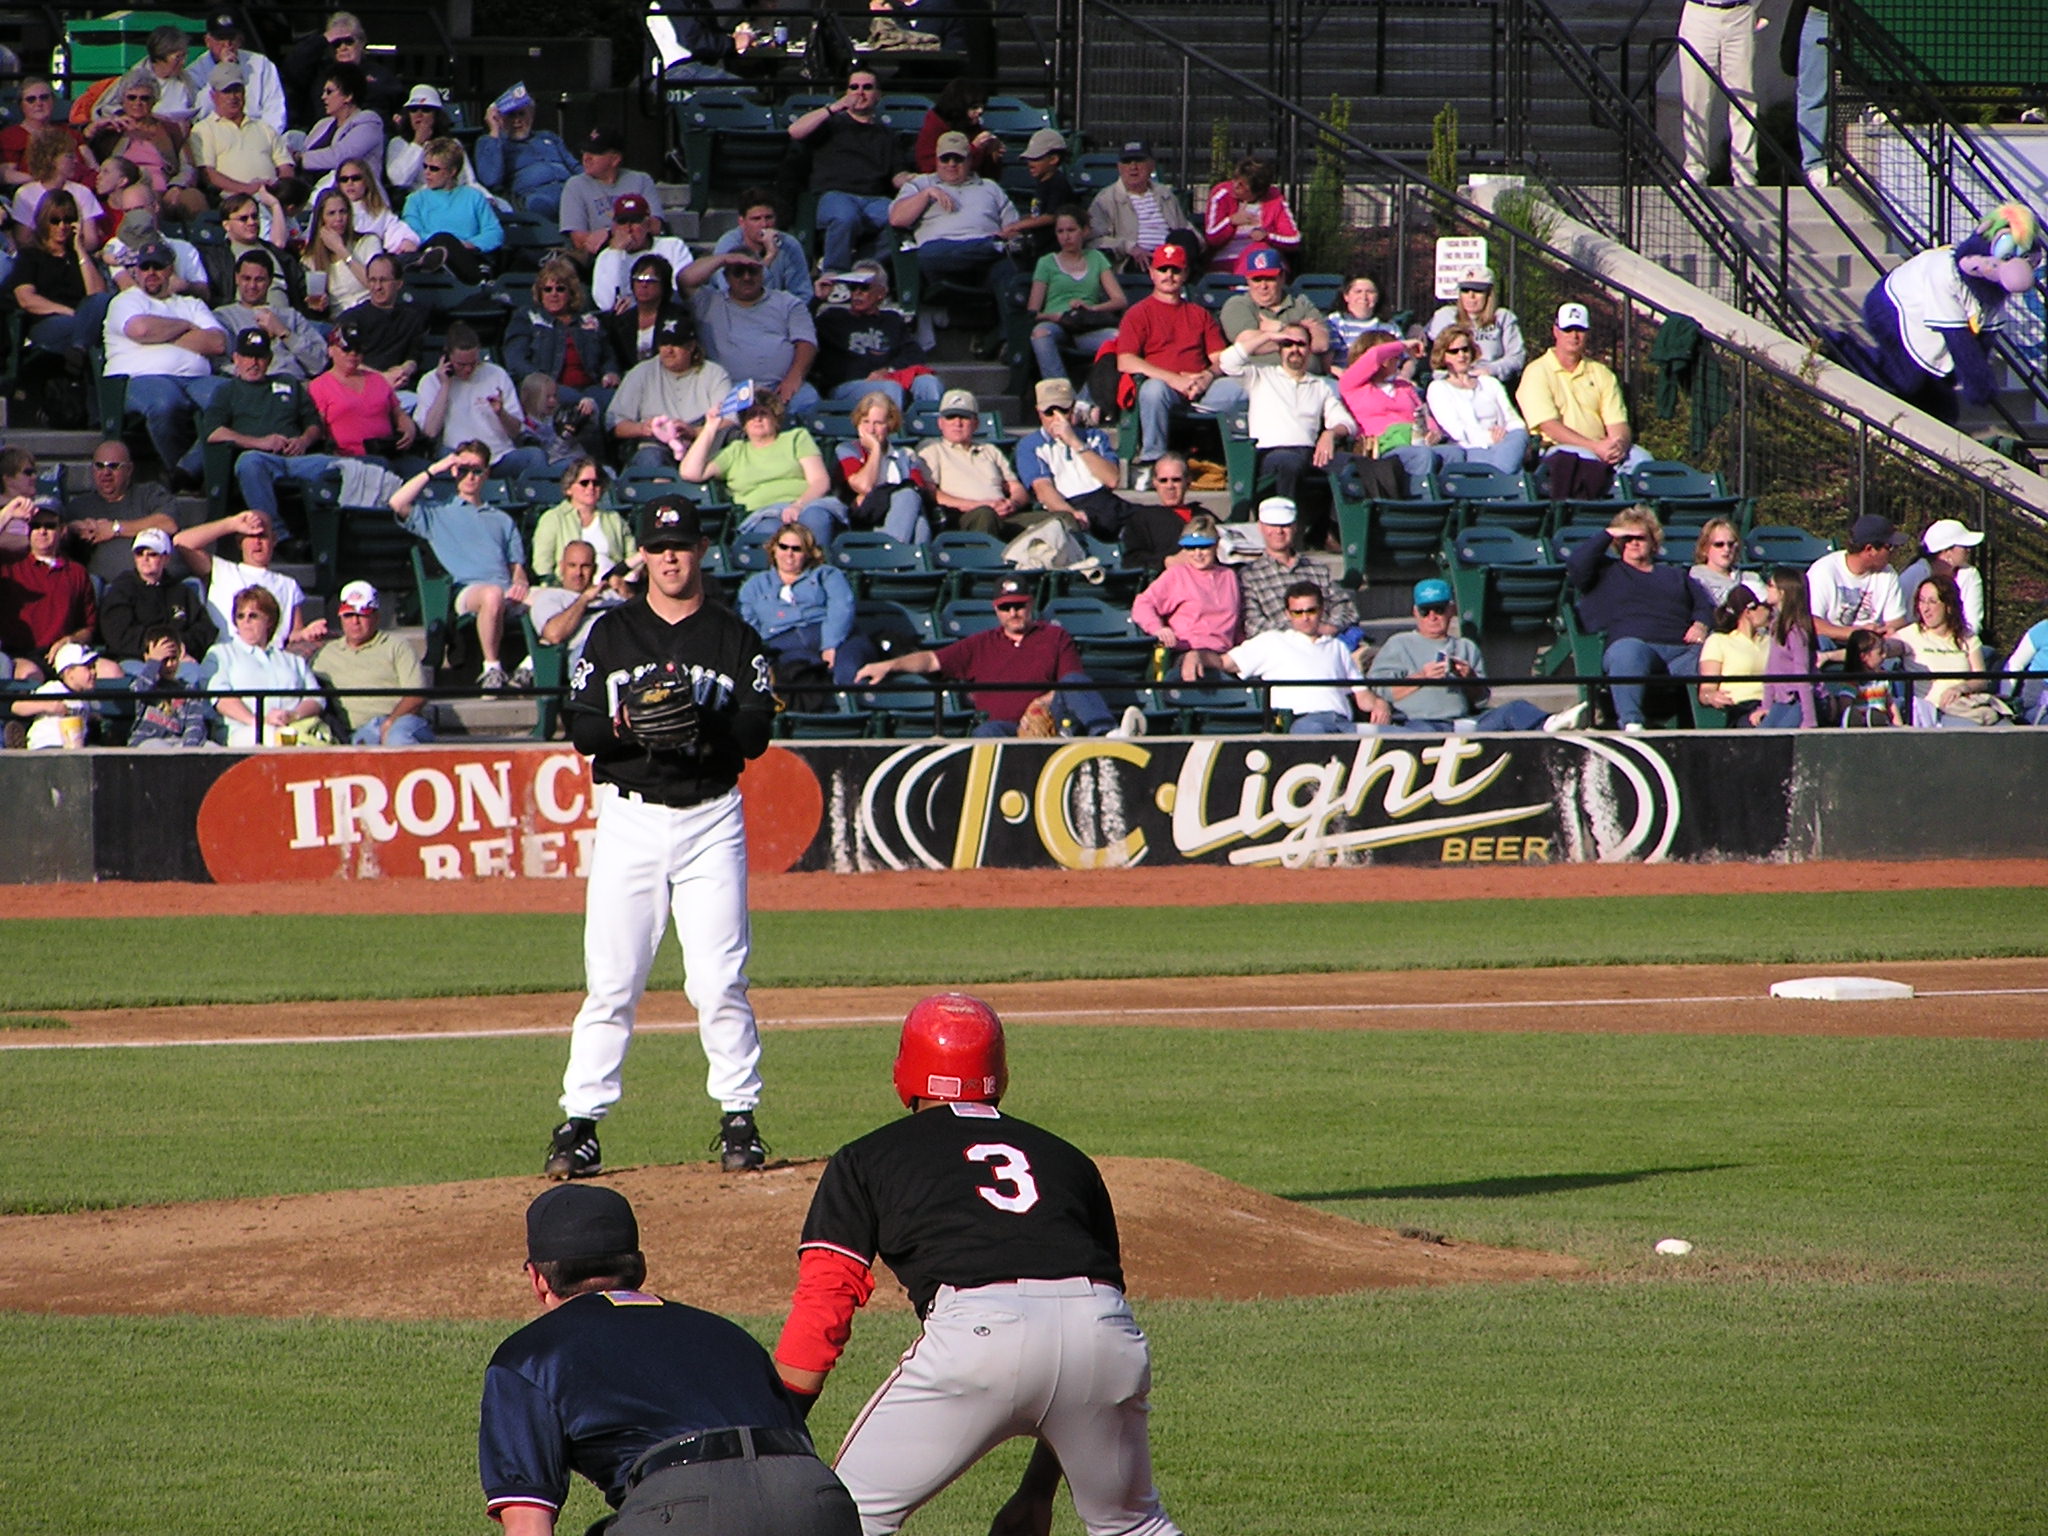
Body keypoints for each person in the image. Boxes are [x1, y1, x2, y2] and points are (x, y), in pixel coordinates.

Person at [772, 993, 1182, 1536]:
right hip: (1104, 1334)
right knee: (1134, 1526)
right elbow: (1079, 1339)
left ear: (905, 1072)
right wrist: (1037, 1494)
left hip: (978, 1339)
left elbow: (825, 1306)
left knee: (837, 1519)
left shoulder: (865, 1158)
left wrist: (770, 1428)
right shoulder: (1069, 1159)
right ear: (999, 1075)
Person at [547, 496, 775, 1179]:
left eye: (681, 545)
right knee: (612, 982)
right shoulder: (612, 634)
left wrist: (703, 720)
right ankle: (579, 1125)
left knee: (719, 980)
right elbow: (582, 728)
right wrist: (629, 726)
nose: (670, 556)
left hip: (711, 818)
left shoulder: (734, 636)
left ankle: (739, 1117)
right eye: (657, 546)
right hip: (630, 817)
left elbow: (757, 732)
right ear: (641, 554)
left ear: (702, 550)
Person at [483, 1183, 857, 1536]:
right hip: (819, 1499)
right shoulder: (729, 1335)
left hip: (684, 1508)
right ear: (638, 1266)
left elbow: (529, 1525)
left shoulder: (528, 1356)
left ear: (538, 1279)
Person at [854, 576, 1126, 737]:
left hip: (1050, 721)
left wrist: (1039, 705)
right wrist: (890, 664)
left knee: (1076, 683)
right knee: (986, 732)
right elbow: (931, 660)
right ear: (997, 610)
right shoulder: (981, 644)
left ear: (1030, 604)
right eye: (1006, 607)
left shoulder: (1054, 636)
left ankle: (1107, 736)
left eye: (1018, 605)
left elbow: (1071, 682)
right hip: (1005, 729)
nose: (1013, 613)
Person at [390, 441, 532, 689]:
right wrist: (436, 469)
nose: (470, 476)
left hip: (507, 590)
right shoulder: (438, 512)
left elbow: (516, 568)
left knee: (558, 600)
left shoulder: (501, 519)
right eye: (463, 469)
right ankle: (492, 669)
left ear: (486, 474)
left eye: (476, 470)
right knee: (492, 595)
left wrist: (520, 583)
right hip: (468, 592)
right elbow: (397, 503)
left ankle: (529, 666)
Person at [1369, 576, 1586, 732]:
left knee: (1516, 708)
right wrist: (1422, 678)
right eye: (1426, 611)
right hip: (1418, 722)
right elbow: (1381, 692)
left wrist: (1469, 678)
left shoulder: (1466, 647)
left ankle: (1551, 725)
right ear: (1416, 613)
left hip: (1464, 720)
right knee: (1424, 733)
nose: (1433, 616)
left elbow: (1482, 700)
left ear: (1451, 610)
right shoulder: (1399, 644)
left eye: (1439, 609)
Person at [1563, 503, 1713, 729]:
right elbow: (1576, 565)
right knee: (1627, 651)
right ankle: (1632, 724)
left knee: (1723, 651)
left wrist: (1701, 625)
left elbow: (1703, 605)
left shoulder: (1675, 574)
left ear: (1653, 542)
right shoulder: (1606, 571)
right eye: (1627, 538)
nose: (1633, 542)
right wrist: (1608, 533)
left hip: (1682, 651)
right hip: (1636, 648)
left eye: (1640, 537)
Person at [1115, 240, 1245, 484]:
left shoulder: (1199, 314)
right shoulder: (1138, 313)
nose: (1169, 275)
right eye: (1163, 269)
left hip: (1201, 387)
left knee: (1245, 388)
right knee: (1152, 390)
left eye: (1175, 270)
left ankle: (1243, 466)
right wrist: (1173, 379)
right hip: (1165, 388)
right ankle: (1153, 464)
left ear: (1185, 273)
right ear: (1152, 273)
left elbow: (1220, 360)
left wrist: (1207, 376)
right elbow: (1125, 360)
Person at [102, 239, 228, 486]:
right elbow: (140, 329)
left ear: (170, 270)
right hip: (140, 377)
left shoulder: (191, 304)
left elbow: (217, 344)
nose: (151, 273)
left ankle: (184, 471)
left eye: (157, 267)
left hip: (197, 378)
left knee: (231, 398)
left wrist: (162, 333)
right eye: (145, 267)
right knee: (165, 404)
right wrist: (185, 327)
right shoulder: (126, 300)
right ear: (136, 271)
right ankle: (181, 470)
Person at [203, 326, 341, 528]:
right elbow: (213, 432)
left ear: (269, 359)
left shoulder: (288, 382)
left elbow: (314, 424)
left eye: (259, 357)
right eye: (248, 356)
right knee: (248, 462)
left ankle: (332, 534)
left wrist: (303, 440)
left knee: (343, 467)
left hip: (299, 459)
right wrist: (260, 443)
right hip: (260, 460)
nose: (253, 363)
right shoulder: (226, 390)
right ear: (236, 358)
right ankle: (275, 533)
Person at [1219, 319, 1357, 515]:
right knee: (1289, 462)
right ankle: (1283, 526)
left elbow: (1347, 423)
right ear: (1279, 349)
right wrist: (1267, 336)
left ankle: (1330, 532)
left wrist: (1330, 433)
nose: (1294, 349)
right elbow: (1228, 362)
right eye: (1287, 344)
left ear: (1309, 349)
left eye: (1300, 344)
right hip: (1271, 454)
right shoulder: (1261, 377)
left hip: (1309, 453)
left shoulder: (1322, 385)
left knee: (1352, 466)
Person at [1516, 302, 1649, 499]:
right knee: (1586, 460)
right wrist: (1595, 448)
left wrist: (1618, 445)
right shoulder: (1537, 372)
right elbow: (1550, 426)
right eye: (1568, 329)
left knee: (1644, 461)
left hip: (1603, 446)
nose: (1574, 336)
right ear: (1556, 331)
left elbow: (1618, 423)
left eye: (1580, 330)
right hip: (1558, 451)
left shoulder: (1602, 373)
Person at [676, 396, 844, 548]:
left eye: (763, 413)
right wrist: (711, 427)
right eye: (751, 415)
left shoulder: (796, 438)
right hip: (763, 513)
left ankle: (819, 574)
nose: (757, 418)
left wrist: (798, 505)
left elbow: (820, 481)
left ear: (776, 419)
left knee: (817, 519)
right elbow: (690, 472)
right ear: (744, 424)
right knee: (769, 529)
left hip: (805, 505)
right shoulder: (735, 451)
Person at [1222, 579, 1387, 733]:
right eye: (1297, 613)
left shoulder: (1337, 647)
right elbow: (1225, 663)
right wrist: (1198, 656)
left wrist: (1379, 703)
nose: (1305, 618)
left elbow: (1362, 695)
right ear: (1288, 614)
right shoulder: (1271, 641)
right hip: (1302, 722)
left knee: (1403, 734)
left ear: (1322, 610)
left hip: (1343, 724)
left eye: (1311, 610)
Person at [786, 68, 903, 275]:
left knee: (904, 219)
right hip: (835, 195)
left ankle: (857, 266)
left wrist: (916, 181)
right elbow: (795, 131)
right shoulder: (831, 123)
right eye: (854, 87)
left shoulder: (887, 134)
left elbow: (897, 175)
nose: (860, 92)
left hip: (875, 199)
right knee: (845, 217)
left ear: (878, 95)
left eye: (867, 87)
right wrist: (835, 107)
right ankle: (834, 275)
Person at [738, 522, 878, 689]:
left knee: (847, 670)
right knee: (795, 674)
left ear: (808, 553)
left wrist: (830, 645)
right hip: (782, 642)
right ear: (773, 549)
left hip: (834, 636)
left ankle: (860, 709)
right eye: (783, 547)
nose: (789, 554)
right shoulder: (754, 586)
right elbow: (749, 624)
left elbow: (841, 608)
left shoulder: (827, 574)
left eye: (797, 549)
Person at [887, 131, 1019, 305]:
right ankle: (991, 247)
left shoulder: (990, 187)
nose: (951, 164)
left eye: (958, 159)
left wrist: (1009, 239)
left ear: (970, 160)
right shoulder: (920, 185)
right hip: (940, 259)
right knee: (926, 255)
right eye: (945, 159)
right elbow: (897, 219)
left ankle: (1011, 331)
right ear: (936, 160)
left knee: (1011, 274)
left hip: (984, 266)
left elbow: (1014, 229)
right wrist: (927, 194)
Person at [681, 250, 819, 414]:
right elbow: (684, 279)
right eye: (738, 272)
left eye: (752, 271)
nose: (746, 277)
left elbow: (806, 342)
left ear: (762, 273)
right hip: (727, 389)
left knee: (808, 399)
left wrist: (794, 377)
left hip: (779, 388)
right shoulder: (708, 301)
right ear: (726, 277)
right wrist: (724, 259)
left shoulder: (788, 302)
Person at [416, 322, 550, 477]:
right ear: (447, 356)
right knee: (444, 456)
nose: (468, 369)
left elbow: (516, 432)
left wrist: (501, 413)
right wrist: (445, 386)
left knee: (535, 456)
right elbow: (430, 432)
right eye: (461, 364)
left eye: (473, 363)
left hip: (499, 456)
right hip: (459, 458)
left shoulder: (496, 374)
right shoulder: (430, 381)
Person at [176, 507, 321, 647]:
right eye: (250, 536)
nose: (257, 542)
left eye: (262, 536)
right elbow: (181, 542)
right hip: (227, 655)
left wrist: (305, 633)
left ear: (274, 540)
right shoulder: (222, 569)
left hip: (270, 659)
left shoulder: (288, 585)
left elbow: (294, 634)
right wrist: (231, 524)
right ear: (240, 542)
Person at [506, 257, 623, 428]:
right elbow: (515, 360)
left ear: (571, 293)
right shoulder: (527, 318)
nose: (554, 294)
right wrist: (543, 383)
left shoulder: (589, 320)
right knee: (584, 406)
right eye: (547, 289)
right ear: (540, 293)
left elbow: (608, 356)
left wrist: (611, 372)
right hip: (550, 390)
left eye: (560, 289)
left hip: (591, 388)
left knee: (618, 402)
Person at [202, 584, 325, 744]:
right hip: (242, 732)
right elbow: (220, 698)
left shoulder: (293, 660)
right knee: (278, 738)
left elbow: (317, 698)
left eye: (253, 616)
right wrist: (260, 722)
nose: (246, 621)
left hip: (294, 728)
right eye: (240, 616)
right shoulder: (221, 654)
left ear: (269, 620)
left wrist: (292, 715)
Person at [313, 579, 431, 744]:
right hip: (360, 730)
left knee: (397, 737)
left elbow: (417, 695)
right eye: (348, 615)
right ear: (340, 618)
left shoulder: (397, 646)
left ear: (376, 616)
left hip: (403, 721)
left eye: (362, 614)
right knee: (364, 747)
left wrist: (391, 721)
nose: (355, 621)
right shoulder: (325, 654)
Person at [1012, 376, 1130, 540]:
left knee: (1160, 520)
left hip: (1106, 501)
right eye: (1049, 412)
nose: (1057, 418)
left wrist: (1074, 441)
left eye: (1063, 410)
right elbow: (1044, 491)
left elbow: (1111, 479)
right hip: (1072, 505)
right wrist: (1071, 513)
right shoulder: (1030, 446)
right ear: (1039, 412)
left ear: (1073, 408)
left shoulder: (1094, 437)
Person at [608, 313, 733, 467]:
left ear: (691, 346)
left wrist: (694, 432)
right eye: (664, 343)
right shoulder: (642, 372)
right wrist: (643, 428)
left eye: (676, 344)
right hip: (654, 443)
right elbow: (615, 424)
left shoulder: (714, 373)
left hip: (702, 443)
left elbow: (731, 421)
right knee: (650, 457)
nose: (669, 350)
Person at [811, 262, 937, 410]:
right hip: (847, 385)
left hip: (887, 379)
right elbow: (801, 329)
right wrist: (817, 300)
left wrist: (888, 370)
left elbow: (914, 354)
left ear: (881, 293)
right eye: (853, 287)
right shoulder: (832, 317)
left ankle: (934, 428)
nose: (857, 292)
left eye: (864, 288)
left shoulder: (892, 319)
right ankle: (893, 432)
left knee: (928, 382)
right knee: (888, 390)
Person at [1234, 495, 1361, 639]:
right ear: (1261, 527)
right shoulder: (1249, 575)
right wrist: (1302, 633)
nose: (1279, 531)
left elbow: (1346, 608)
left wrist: (1329, 628)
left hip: (1326, 640)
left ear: (1295, 527)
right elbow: (1252, 624)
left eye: (1285, 525)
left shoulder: (1318, 569)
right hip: (1282, 647)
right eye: (1272, 525)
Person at [1131, 514, 1239, 680]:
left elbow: (1237, 622)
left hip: (1225, 655)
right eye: (1190, 548)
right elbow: (1143, 604)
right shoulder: (1177, 574)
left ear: (1216, 545)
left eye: (1204, 547)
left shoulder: (1229, 576)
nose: (1197, 554)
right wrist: (1158, 628)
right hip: (1187, 651)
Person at [1028, 205, 1126, 386]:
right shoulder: (1046, 262)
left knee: (1119, 339)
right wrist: (1054, 316)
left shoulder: (1096, 258)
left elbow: (1119, 300)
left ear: (1085, 231)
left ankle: (1087, 399)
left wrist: (1091, 308)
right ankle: (1061, 393)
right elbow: (1033, 312)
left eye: (1071, 230)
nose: (1066, 237)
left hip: (1085, 324)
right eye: (1060, 231)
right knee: (1040, 333)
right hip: (1056, 322)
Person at [0, 505, 102, 675]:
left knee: (110, 671)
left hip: (65, 653)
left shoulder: (77, 572)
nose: (42, 531)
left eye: (49, 526)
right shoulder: (10, 565)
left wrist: (71, 640)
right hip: (19, 655)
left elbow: (88, 627)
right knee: (29, 675)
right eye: (35, 526)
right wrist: (8, 512)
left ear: (62, 530)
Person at [916, 388, 1031, 536]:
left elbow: (1016, 488)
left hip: (1005, 515)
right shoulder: (931, 450)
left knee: (1060, 520)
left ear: (975, 423)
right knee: (985, 515)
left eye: (964, 417)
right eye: (951, 417)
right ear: (940, 423)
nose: (957, 423)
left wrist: (1012, 504)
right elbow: (933, 494)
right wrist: (980, 506)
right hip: (964, 517)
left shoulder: (990, 450)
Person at [9, 189, 110, 356]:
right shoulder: (30, 256)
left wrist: (79, 249)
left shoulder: (79, 256)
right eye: (55, 220)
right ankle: (79, 351)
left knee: (102, 301)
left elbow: (97, 295)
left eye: (68, 220)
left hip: (81, 320)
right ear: (43, 221)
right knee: (81, 326)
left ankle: (77, 351)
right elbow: (26, 298)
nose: (62, 226)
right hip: (49, 321)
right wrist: (67, 311)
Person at [65, 441, 180, 587]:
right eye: (99, 466)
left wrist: (115, 528)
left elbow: (169, 524)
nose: (106, 473)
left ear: (129, 469)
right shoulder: (78, 506)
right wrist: (71, 529)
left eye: (113, 466)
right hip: (102, 590)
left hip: (155, 586)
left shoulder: (149, 494)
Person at [308, 317, 420, 465]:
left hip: (386, 453)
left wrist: (408, 428)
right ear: (331, 350)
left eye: (358, 349)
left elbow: (398, 412)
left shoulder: (378, 379)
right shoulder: (319, 385)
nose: (353, 354)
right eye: (346, 349)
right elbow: (317, 427)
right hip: (346, 458)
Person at [1896, 572, 2004, 726]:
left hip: (1964, 705)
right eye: (1921, 601)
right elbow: (1882, 648)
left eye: (1932, 602)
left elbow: (1981, 679)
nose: (1925, 609)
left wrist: (1961, 687)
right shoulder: (1910, 634)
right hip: (1934, 712)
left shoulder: (1966, 637)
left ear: (1948, 606)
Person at [1337, 335, 1446, 485]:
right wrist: (1404, 344)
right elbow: (1375, 355)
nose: (1398, 359)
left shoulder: (1404, 386)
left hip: (1418, 441)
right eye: (1394, 355)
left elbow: (1424, 414)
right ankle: (1423, 503)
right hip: (1384, 447)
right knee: (1422, 455)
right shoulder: (1351, 385)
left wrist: (1434, 432)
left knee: (1454, 454)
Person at [97, 527, 216, 663]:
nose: (145, 559)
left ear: (166, 558)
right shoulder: (121, 589)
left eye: (152, 554)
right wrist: (154, 648)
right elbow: (116, 633)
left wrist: (176, 645)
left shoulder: (181, 591)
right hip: (134, 659)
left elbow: (204, 629)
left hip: (178, 657)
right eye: (139, 553)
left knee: (192, 671)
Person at [1425, 323, 1529, 476]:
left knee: (1520, 434)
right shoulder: (1438, 388)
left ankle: (1500, 477)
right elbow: (1457, 431)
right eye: (1454, 351)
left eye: (1465, 349)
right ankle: (1503, 480)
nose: (1461, 355)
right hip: (1470, 449)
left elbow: (1513, 419)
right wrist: (1490, 438)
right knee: (1515, 468)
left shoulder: (1489, 382)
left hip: (1504, 442)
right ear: (1443, 355)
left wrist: (1506, 436)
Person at [186, 61, 293, 204]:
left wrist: (279, 190)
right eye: (226, 91)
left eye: (237, 90)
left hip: (272, 198)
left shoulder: (264, 128)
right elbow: (209, 175)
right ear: (213, 96)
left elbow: (285, 166)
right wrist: (248, 189)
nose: (233, 97)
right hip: (232, 201)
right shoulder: (203, 130)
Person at [833, 392, 933, 545]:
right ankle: (896, 556)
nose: (871, 430)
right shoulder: (848, 450)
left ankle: (898, 557)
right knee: (911, 505)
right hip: (865, 521)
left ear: (890, 425)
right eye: (866, 422)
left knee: (919, 517)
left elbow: (917, 493)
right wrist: (876, 450)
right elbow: (864, 486)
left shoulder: (906, 455)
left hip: (900, 517)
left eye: (878, 423)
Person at [1679, 0, 1758, 186]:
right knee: (1696, 97)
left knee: (1744, 97)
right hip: (1700, 11)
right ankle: (1695, 167)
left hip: (1741, 11)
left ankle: (1744, 170)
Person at [213, 248, 327, 378]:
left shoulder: (291, 316)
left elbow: (319, 364)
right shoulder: (223, 316)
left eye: (259, 280)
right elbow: (219, 363)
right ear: (236, 278)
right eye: (246, 278)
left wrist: (284, 333)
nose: (252, 285)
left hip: (295, 385)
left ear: (270, 281)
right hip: (252, 388)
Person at [402, 139, 502, 284]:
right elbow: (414, 233)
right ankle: (479, 281)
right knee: (443, 239)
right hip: (432, 255)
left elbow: (494, 232)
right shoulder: (415, 200)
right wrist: (451, 244)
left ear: (452, 171)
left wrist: (469, 244)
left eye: (434, 168)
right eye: (425, 167)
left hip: (470, 253)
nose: (427, 173)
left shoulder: (473, 196)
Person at [475, 80, 579, 218]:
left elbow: (575, 166)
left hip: (571, 188)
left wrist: (592, 182)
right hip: (537, 196)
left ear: (531, 114)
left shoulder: (548, 136)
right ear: (500, 118)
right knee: (543, 205)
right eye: (511, 115)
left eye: (521, 114)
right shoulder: (490, 142)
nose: (517, 120)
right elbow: (490, 180)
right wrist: (494, 130)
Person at [1804, 511, 1907, 647]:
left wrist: (1885, 630)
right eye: (1890, 547)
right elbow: (1812, 623)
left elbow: (1897, 620)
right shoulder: (1824, 571)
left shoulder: (1888, 574)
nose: (1894, 552)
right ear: (1870, 549)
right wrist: (1856, 633)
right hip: (1832, 642)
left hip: (1872, 645)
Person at [1086, 141, 1191, 272]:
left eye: (1139, 161)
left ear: (1152, 166)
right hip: (1137, 260)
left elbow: (1184, 227)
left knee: (1186, 238)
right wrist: (1128, 247)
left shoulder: (1165, 194)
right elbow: (1093, 240)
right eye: (1127, 162)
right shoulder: (1105, 199)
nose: (1133, 167)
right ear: (1119, 167)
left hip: (1171, 255)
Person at [1219, 244, 1329, 368]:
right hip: (1260, 379)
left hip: (1308, 378)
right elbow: (1246, 344)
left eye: (1270, 279)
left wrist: (1279, 328)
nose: (1263, 285)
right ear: (1248, 280)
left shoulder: (1301, 302)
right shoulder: (1238, 304)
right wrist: (1303, 335)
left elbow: (1321, 343)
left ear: (1282, 277)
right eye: (1257, 279)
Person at [560, 126, 660, 261]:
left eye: (595, 153)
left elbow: (655, 226)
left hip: (642, 256)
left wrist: (608, 234)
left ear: (615, 159)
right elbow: (579, 240)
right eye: (584, 151)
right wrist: (618, 240)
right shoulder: (575, 185)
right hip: (598, 259)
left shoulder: (641, 180)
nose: (586, 158)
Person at [533, 456, 637, 582]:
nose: (591, 487)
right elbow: (542, 566)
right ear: (569, 488)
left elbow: (633, 558)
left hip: (613, 588)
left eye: (596, 483)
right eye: (584, 483)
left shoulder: (614, 519)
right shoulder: (552, 519)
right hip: (569, 591)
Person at [529, 538, 631, 665]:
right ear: (562, 567)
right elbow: (554, 635)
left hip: (624, 647)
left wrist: (628, 595)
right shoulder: (549, 597)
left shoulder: (611, 595)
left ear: (594, 569)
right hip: (585, 652)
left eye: (585, 566)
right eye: (572, 565)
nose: (578, 573)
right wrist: (584, 600)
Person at [1424, 266, 1525, 386]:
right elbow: (1424, 343)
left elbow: (1517, 357)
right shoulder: (1445, 315)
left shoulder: (1503, 317)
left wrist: (1491, 370)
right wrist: (1417, 328)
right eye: (1465, 290)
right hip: (1449, 382)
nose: (1471, 296)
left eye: (1478, 291)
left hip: (1489, 381)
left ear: (1489, 294)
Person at [1202, 153, 1299, 275]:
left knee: (1260, 251)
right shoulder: (1221, 193)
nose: (1235, 186)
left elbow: (1293, 239)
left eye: (1242, 185)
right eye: (1235, 179)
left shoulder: (1274, 198)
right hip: (1228, 259)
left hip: (1265, 259)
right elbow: (1211, 237)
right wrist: (1230, 221)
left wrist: (1267, 236)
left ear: (1257, 191)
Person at [591, 195, 689, 311]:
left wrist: (637, 302)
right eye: (622, 222)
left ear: (647, 224)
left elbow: (681, 291)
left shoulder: (673, 246)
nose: (628, 229)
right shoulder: (606, 257)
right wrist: (615, 253)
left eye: (635, 221)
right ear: (614, 228)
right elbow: (606, 303)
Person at [196, 12, 287, 135]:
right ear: (208, 41)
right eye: (221, 38)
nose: (227, 44)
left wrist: (266, 139)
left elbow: (275, 109)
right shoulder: (195, 70)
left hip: (258, 134)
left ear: (240, 39)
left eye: (231, 37)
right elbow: (200, 113)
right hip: (216, 135)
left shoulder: (261, 64)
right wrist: (222, 69)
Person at [711, 188, 809, 300]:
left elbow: (802, 293)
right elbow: (732, 293)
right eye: (756, 219)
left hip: (778, 313)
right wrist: (770, 256)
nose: (764, 224)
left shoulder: (789, 244)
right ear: (742, 222)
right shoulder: (728, 244)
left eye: (769, 218)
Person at [122, 625, 212, 747]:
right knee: (159, 747)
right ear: (147, 657)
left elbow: (195, 724)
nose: (169, 665)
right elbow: (138, 691)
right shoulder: (145, 683)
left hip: (177, 743)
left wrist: (189, 752)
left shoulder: (188, 690)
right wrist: (154, 662)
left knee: (210, 747)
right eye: (164, 660)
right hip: (146, 742)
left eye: (173, 658)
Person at [1696, 585, 1773, 725]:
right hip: (1741, 708)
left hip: (1772, 705)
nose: (1769, 611)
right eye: (1763, 607)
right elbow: (1706, 690)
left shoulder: (1772, 642)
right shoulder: (1718, 641)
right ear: (1749, 612)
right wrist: (1711, 696)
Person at [1898, 517, 1986, 640]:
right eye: (1963, 546)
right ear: (1946, 551)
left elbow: (1973, 622)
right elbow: (1900, 617)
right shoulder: (1914, 574)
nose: (1968, 550)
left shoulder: (1970, 574)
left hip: (1958, 643)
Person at [10, 640, 106, 748]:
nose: (94, 672)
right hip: (47, 743)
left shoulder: (86, 698)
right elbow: (17, 706)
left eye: (94, 667)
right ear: (69, 672)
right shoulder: (54, 689)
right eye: (88, 668)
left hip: (74, 747)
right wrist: (47, 706)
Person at [298, 62, 384, 182]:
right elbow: (304, 150)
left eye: (329, 92)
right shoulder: (322, 124)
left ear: (348, 96)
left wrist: (300, 159)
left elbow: (340, 157)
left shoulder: (369, 123)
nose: (323, 97)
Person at [1, 79, 93, 191]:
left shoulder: (69, 132)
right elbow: (6, 175)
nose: (39, 103)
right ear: (21, 105)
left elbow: (92, 166)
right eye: (31, 100)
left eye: (44, 97)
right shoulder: (11, 136)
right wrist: (47, 180)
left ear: (53, 101)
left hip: (82, 189)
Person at [303, 185, 380, 316]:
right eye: (331, 213)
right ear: (321, 219)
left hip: (370, 313)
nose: (339, 218)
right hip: (340, 321)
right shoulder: (311, 259)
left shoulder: (369, 242)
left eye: (343, 211)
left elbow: (375, 286)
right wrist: (321, 304)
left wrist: (341, 250)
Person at [1119, 452, 1195, 574]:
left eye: (1176, 480)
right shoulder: (1142, 518)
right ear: (1155, 483)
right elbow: (1130, 561)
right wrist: (1167, 561)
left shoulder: (1204, 516)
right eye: (1163, 480)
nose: (1170, 486)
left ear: (1188, 481)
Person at [912, 77, 1003, 176]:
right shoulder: (934, 126)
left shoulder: (976, 127)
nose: (980, 111)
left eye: (983, 107)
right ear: (959, 107)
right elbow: (928, 167)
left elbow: (989, 177)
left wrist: (993, 157)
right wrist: (974, 149)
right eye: (974, 107)